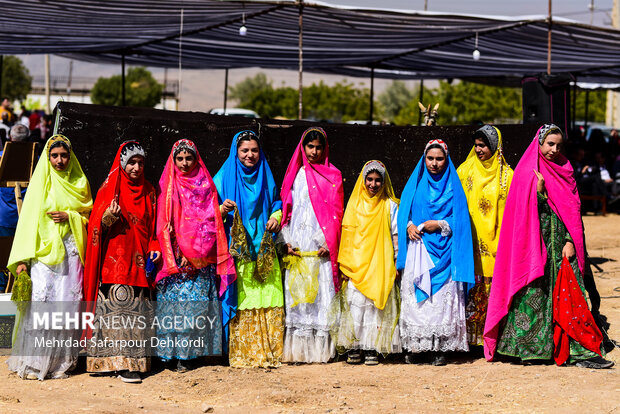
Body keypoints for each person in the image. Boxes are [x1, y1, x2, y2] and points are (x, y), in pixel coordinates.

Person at [484, 124, 614, 369]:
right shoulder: (526, 172)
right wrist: (540, 193)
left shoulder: (565, 169)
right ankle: (530, 349)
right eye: (549, 144)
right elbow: (521, 215)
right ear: (539, 144)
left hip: (561, 246)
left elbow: (573, 212)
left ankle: (575, 350)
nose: (554, 150)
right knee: (533, 294)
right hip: (533, 247)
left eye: (558, 145)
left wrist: (569, 240)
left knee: (570, 293)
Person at [6, 134, 93, 380]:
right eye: (54, 156)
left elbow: (89, 216)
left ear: (71, 156)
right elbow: (27, 224)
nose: (59, 160)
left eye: (64, 155)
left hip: (72, 254)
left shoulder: (80, 182)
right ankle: (35, 363)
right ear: (47, 157)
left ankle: (60, 363)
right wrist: (22, 260)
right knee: (42, 305)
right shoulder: (40, 183)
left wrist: (71, 217)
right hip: (43, 257)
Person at [83, 141, 161, 383]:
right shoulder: (109, 189)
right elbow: (95, 225)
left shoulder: (149, 190)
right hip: (115, 260)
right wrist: (108, 218)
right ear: (122, 164)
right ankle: (111, 363)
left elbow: (155, 226)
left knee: (136, 312)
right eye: (132, 163)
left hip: (140, 259)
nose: (136, 167)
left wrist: (155, 247)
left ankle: (132, 364)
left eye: (141, 163)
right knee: (116, 312)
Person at [155, 139, 235, 371]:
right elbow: (163, 222)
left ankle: (188, 356)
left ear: (196, 158)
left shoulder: (205, 184)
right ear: (173, 160)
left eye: (189, 158)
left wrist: (219, 211)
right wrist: (176, 249)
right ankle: (169, 355)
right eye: (179, 159)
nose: (184, 163)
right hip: (176, 258)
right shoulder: (168, 186)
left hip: (199, 258)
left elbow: (207, 218)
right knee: (175, 308)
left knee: (194, 309)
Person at [397, 139, 474, 366]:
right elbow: (404, 212)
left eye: (439, 159)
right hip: (419, 248)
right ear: (424, 159)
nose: (434, 163)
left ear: (446, 160)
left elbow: (460, 219)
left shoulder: (454, 186)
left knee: (440, 299)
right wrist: (409, 225)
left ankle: (439, 347)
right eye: (430, 158)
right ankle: (417, 345)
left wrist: (439, 224)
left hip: (445, 251)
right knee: (418, 300)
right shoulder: (417, 183)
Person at [213, 130, 284, 368]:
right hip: (239, 250)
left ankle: (270, 353)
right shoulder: (223, 177)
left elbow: (277, 200)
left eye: (254, 150)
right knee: (243, 298)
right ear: (236, 152)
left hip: (263, 245)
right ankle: (244, 354)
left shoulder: (265, 173)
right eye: (244, 150)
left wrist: (276, 215)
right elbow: (208, 208)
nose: (250, 155)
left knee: (267, 294)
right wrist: (222, 209)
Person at [278, 127, 344, 363]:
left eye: (319, 147)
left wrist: (327, 241)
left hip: (320, 248)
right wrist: (286, 240)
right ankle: (299, 352)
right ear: (303, 148)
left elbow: (336, 213)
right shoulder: (295, 175)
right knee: (299, 296)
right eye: (310, 147)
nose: (314, 151)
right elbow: (287, 210)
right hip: (298, 243)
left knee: (321, 295)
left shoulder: (333, 175)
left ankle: (321, 352)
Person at [337, 160, 401, 365]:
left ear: (384, 182)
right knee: (356, 306)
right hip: (357, 263)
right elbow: (347, 236)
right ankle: (354, 347)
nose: (373, 184)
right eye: (370, 179)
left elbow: (395, 235)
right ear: (363, 180)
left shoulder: (389, 206)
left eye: (378, 180)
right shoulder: (354, 204)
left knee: (375, 306)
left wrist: (396, 260)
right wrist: (345, 265)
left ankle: (371, 347)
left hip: (379, 263)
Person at [456, 126, 513, 346]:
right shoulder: (465, 170)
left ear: (495, 146)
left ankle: (492, 340)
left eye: (484, 145)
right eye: (476, 145)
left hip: (497, 244)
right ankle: (471, 341)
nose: (479, 149)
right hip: (470, 242)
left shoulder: (507, 175)